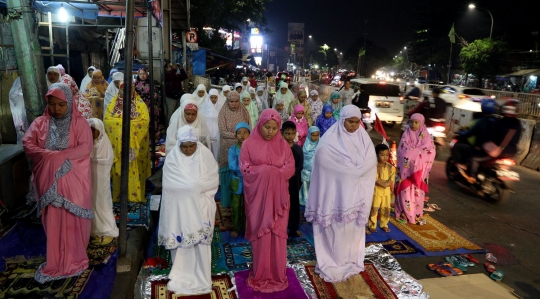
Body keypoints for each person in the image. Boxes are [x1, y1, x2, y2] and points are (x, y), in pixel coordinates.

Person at [23, 83, 94, 283]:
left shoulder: (79, 123)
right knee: (54, 221)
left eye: (61, 104)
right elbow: (28, 144)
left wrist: (59, 156)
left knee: (73, 220)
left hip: (73, 184)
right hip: (48, 185)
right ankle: (56, 259)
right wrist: (48, 156)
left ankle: (75, 256)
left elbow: (85, 147)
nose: (56, 109)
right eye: (53, 104)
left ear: (69, 103)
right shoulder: (40, 123)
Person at [305, 105, 376, 283]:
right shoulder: (329, 141)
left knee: (351, 231)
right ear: (342, 121)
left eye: (356, 122)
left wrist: (356, 172)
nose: (353, 126)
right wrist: (349, 172)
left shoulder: (364, 137)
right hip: (335, 196)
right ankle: (333, 261)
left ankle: (350, 259)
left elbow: (371, 160)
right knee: (335, 231)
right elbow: (323, 160)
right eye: (350, 122)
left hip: (355, 196)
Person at [158, 125, 219, 295]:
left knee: (199, 243)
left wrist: (193, 187)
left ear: (196, 143)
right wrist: (194, 186)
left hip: (200, 206)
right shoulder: (172, 158)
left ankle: (201, 276)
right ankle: (182, 274)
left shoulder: (205, 154)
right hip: (179, 208)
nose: (188, 150)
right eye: (184, 146)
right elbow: (171, 185)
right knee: (182, 240)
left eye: (191, 146)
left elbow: (213, 179)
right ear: (178, 145)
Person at [240, 109, 295, 292]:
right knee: (262, 235)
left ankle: (277, 274)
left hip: (279, 200)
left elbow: (290, 167)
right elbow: (245, 168)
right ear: (259, 125)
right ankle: (261, 274)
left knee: (277, 234)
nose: (270, 131)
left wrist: (273, 173)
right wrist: (267, 171)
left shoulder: (283, 145)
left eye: (274, 128)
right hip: (258, 200)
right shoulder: (248, 144)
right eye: (267, 127)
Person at [104, 82, 150, 203]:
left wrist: (128, 125)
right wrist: (122, 124)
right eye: (124, 90)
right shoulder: (113, 104)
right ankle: (118, 197)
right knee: (119, 171)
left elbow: (144, 121)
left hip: (135, 147)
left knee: (136, 169)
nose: (126, 93)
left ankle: (135, 197)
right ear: (120, 90)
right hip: (117, 145)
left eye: (129, 90)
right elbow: (107, 121)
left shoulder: (140, 104)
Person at [394, 113, 435, 225]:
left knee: (417, 195)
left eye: (416, 122)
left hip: (418, 175)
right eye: (411, 122)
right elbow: (402, 150)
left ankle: (416, 215)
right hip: (406, 173)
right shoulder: (406, 134)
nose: (413, 124)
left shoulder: (425, 135)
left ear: (421, 123)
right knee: (405, 193)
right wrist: (415, 152)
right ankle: (404, 213)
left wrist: (413, 152)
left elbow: (430, 151)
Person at [87, 118, 119, 245]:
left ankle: (105, 230)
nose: (90, 134)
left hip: (100, 181)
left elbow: (105, 161)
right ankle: (93, 230)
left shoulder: (103, 143)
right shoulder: (88, 143)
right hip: (89, 179)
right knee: (90, 203)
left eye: (93, 131)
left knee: (101, 203)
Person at [218, 91, 251, 208]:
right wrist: (237, 135)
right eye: (231, 101)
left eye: (236, 101)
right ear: (227, 101)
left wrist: (243, 137)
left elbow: (249, 125)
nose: (234, 104)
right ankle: (228, 202)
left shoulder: (243, 110)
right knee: (230, 171)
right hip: (227, 146)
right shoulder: (223, 112)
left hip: (243, 146)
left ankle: (244, 202)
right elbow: (222, 131)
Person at [281, 120, 304, 238]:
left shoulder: (298, 149)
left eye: (292, 133)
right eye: (287, 133)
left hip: (294, 181)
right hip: (281, 181)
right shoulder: (278, 148)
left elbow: (300, 165)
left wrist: (291, 172)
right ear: (281, 133)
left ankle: (294, 228)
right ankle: (281, 227)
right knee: (281, 204)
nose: (290, 136)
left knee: (294, 204)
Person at [228, 122, 251, 238]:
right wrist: (247, 170)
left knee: (248, 206)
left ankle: (247, 228)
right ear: (235, 135)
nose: (242, 135)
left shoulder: (252, 149)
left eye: (245, 132)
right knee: (236, 206)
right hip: (236, 181)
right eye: (239, 133)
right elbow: (232, 166)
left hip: (249, 183)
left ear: (249, 134)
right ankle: (237, 228)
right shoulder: (232, 150)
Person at [368, 144, 395, 234]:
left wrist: (388, 183)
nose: (385, 157)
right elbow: (375, 179)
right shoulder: (374, 166)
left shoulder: (390, 167)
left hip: (387, 192)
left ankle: (384, 224)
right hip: (377, 191)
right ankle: (372, 225)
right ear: (376, 155)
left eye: (387, 155)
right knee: (374, 209)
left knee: (386, 208)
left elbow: (392, 178)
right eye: (382, 155)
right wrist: (385, 183)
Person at [134, 68, 160, 139]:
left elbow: (155, 94)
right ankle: (144, 138)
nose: (142, 76)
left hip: (152, 106)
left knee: (153, 120)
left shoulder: (151, 82)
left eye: (144, 74)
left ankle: (154, 137)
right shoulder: (135, 84)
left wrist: (150, 103)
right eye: (140, 74)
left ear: (147, 74)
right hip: (141, 107)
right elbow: (135, 96)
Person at [201, 89, 225, 161]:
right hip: (208, 130)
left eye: (215, 97)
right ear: (209, 97)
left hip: (218, 130)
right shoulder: (205, 106)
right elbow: (202, 118)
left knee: (217, 147)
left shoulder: (222, 106)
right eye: (212, 97)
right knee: (208, 146)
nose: (213, 99)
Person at [300, 126, 320, 206]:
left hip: (316, 170)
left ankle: (314, 200)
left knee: (315, 185)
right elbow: (304, 156)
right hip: (306, 170)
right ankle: (305, 200)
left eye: (317, 135)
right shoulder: (306, 146)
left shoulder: (321, 145)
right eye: (313, 135)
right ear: (309, 135)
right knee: (305, 185)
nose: (315, 137)